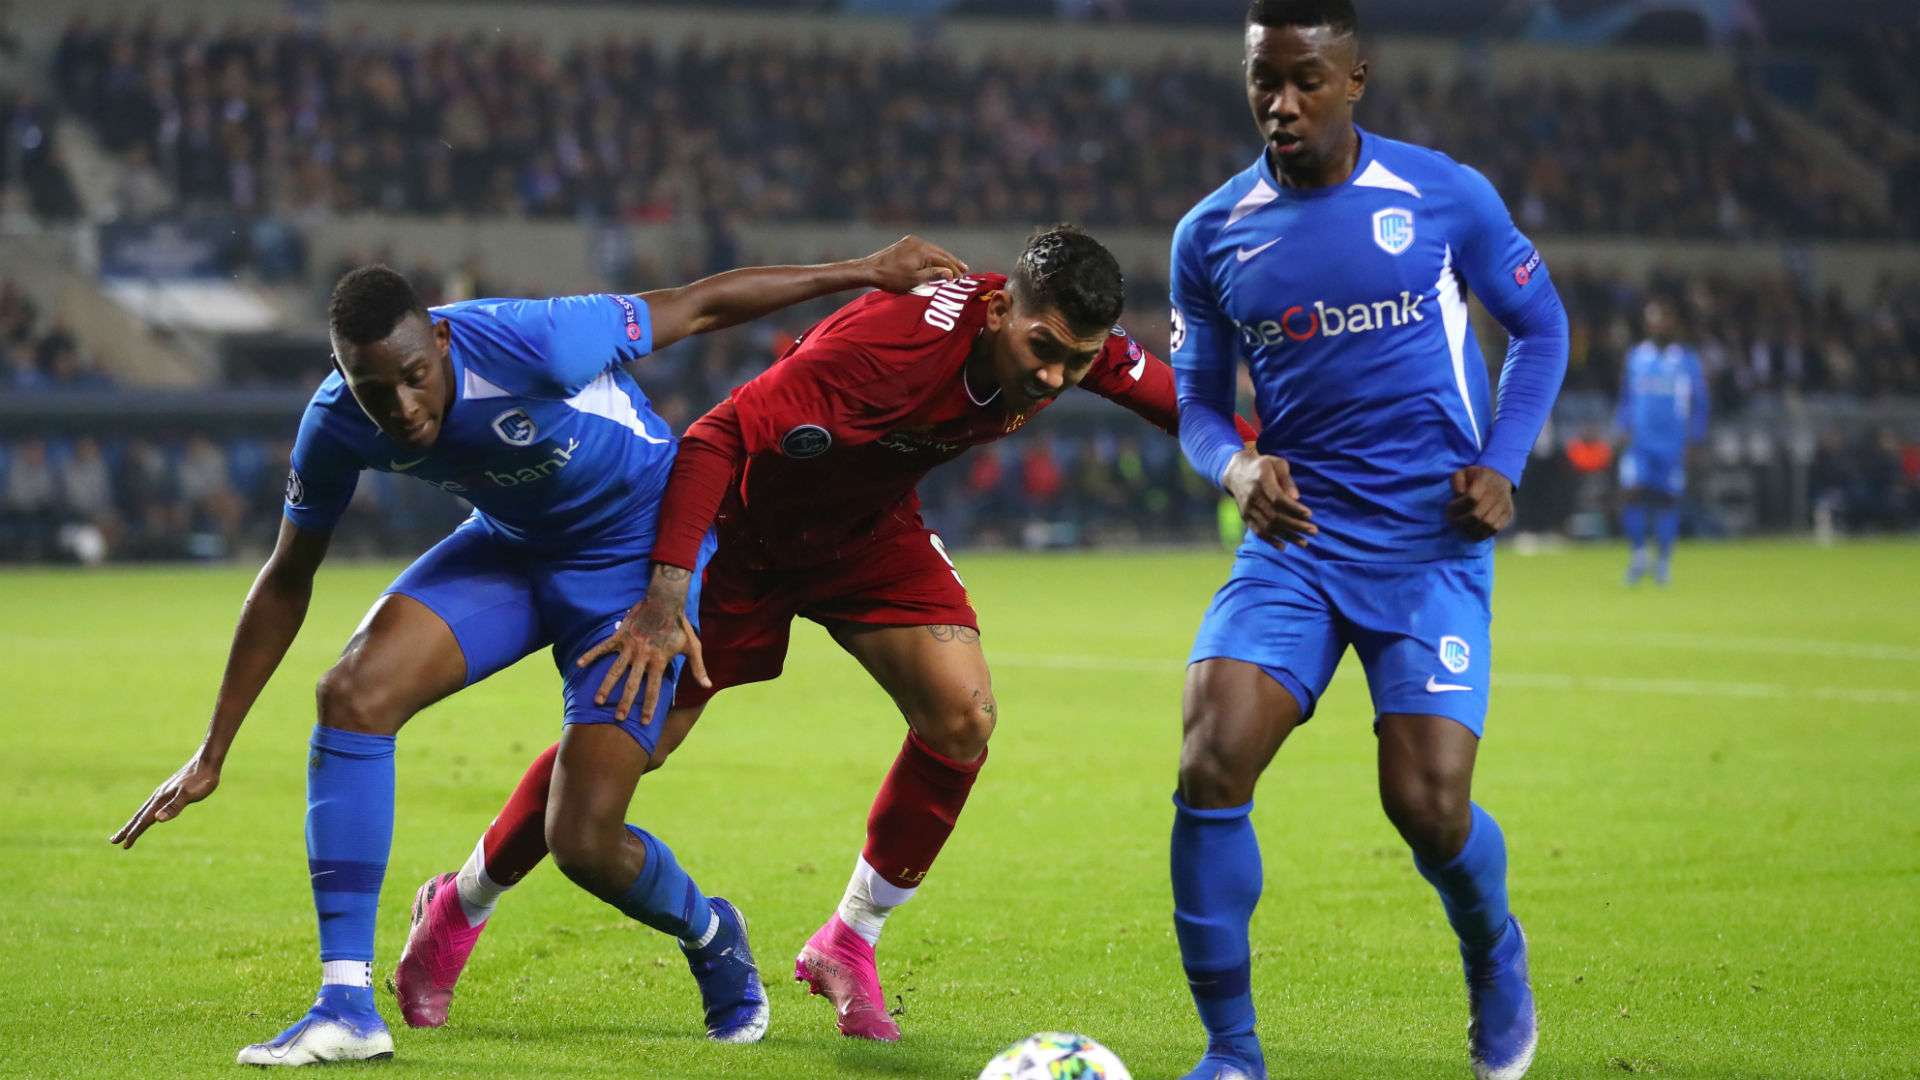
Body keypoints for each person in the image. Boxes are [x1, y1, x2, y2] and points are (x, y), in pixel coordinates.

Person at [106, 236, 967, 1067]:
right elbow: (287, 578)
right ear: (342, 379)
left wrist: (867, 271)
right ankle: (344, 1004)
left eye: (415, 378)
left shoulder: (536, 340)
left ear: (440, 340)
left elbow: (700, 306)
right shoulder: (336, 423)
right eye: (376, 393)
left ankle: (712, 932)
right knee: (352, 695)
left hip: (635, 560)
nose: (404, 408)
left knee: (583, 840)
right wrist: (212, 750)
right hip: (513, 547)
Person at [389, 225, 1257, 1043]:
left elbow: (1181, 402)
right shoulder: (888, 349)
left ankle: (849, 938)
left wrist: (1254, 467)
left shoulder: (1065, 338)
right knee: (621, 743)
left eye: (1076, 361)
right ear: (999, 311)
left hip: (866, 530)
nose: (1055, 379)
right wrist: (666, 592)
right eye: (1043, 351)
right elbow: (715, 436)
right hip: (744, 536)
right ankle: (461, 903)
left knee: (963, 715)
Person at [1166, 3, 1569, 1078]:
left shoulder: (1442, 194)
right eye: (1263, 80)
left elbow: (1541, 328)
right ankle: (1233, 1054)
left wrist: (1505, 459)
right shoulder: (1210, 234)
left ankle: (1493, 950)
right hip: (1296, 541)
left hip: (1430, 542)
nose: (1280, 104)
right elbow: (1199, 405)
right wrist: (1239, 466)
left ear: (1356, 80)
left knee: (1428, 807)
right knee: (1211, 758)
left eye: (1304, 80)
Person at [1616, 297, 1708, 585]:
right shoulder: (1636, 357)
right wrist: (1621, 426)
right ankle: (1639, 554)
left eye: (1662, 318)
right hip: (1640, 443)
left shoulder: (1687, 361)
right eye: (1652, 319)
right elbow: (1627, 398)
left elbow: (1700, 403)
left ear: (1672, 323)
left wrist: (1695, 439)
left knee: (1667, 501)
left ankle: (1664, 561)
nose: (1657, 324)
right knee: (1632, 493)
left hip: (1673, 445)